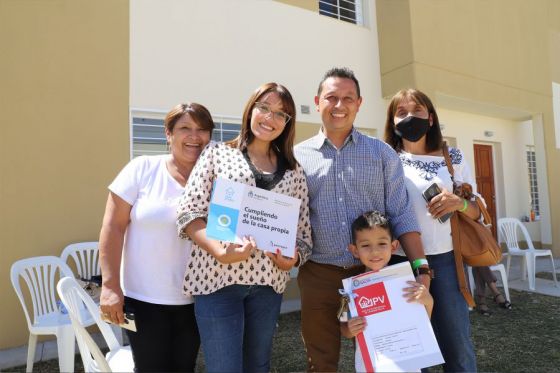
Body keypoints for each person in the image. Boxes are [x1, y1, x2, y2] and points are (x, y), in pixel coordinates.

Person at [294, 67, 430, 372]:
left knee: (384, 361)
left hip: (375, 273)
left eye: (348, 98)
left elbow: (402, 213)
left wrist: (422, 270)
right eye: (331, 97)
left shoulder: (382, 154)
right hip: (319, 274)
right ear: (318, 101)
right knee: (321, 359)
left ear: (359, 103)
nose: (339, 105)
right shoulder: (297, 158)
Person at [176, 82, 312, 373]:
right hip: (217, 280)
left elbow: (302, 234)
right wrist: (219, 251)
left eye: (281, 114)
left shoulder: (294, 170)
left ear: (287, 124)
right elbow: (189, 212)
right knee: (224, 367)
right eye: (264, 107)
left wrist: (294, 258)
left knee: (257, 366)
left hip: (267, 285)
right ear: (251, 109)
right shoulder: (216, 153)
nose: (270, 118)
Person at [98, 103, 214, 372]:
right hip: (144, 300)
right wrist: (111, 286)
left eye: (202, 130)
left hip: (197, 300)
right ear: (168, 134)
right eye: (185, 128)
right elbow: (112, 227)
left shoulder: (217, 180)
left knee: (184, 368)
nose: (194, 137)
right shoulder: (142, 169)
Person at [384, 88, 479, 372]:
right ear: (392, 121)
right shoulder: (387, 158)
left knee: (457, 347)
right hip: (401, 263)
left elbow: (477, 211)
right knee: (413, 352)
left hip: (448, 263)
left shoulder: (454, 157)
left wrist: (458, 202)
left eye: (417, 111)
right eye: (401, 113)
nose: (410, 117)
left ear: (431, 117)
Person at [340, 211, 434, 372]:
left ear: (393, 246)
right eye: (365, 245)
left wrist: (428, 300)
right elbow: (342, 324)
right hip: (371, 365)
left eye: (382, 244)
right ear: (354, 250)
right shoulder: (349, 290)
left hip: (407, 364)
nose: (374, 252)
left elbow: (423, 320)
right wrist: (349, 329)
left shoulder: (405, 281)